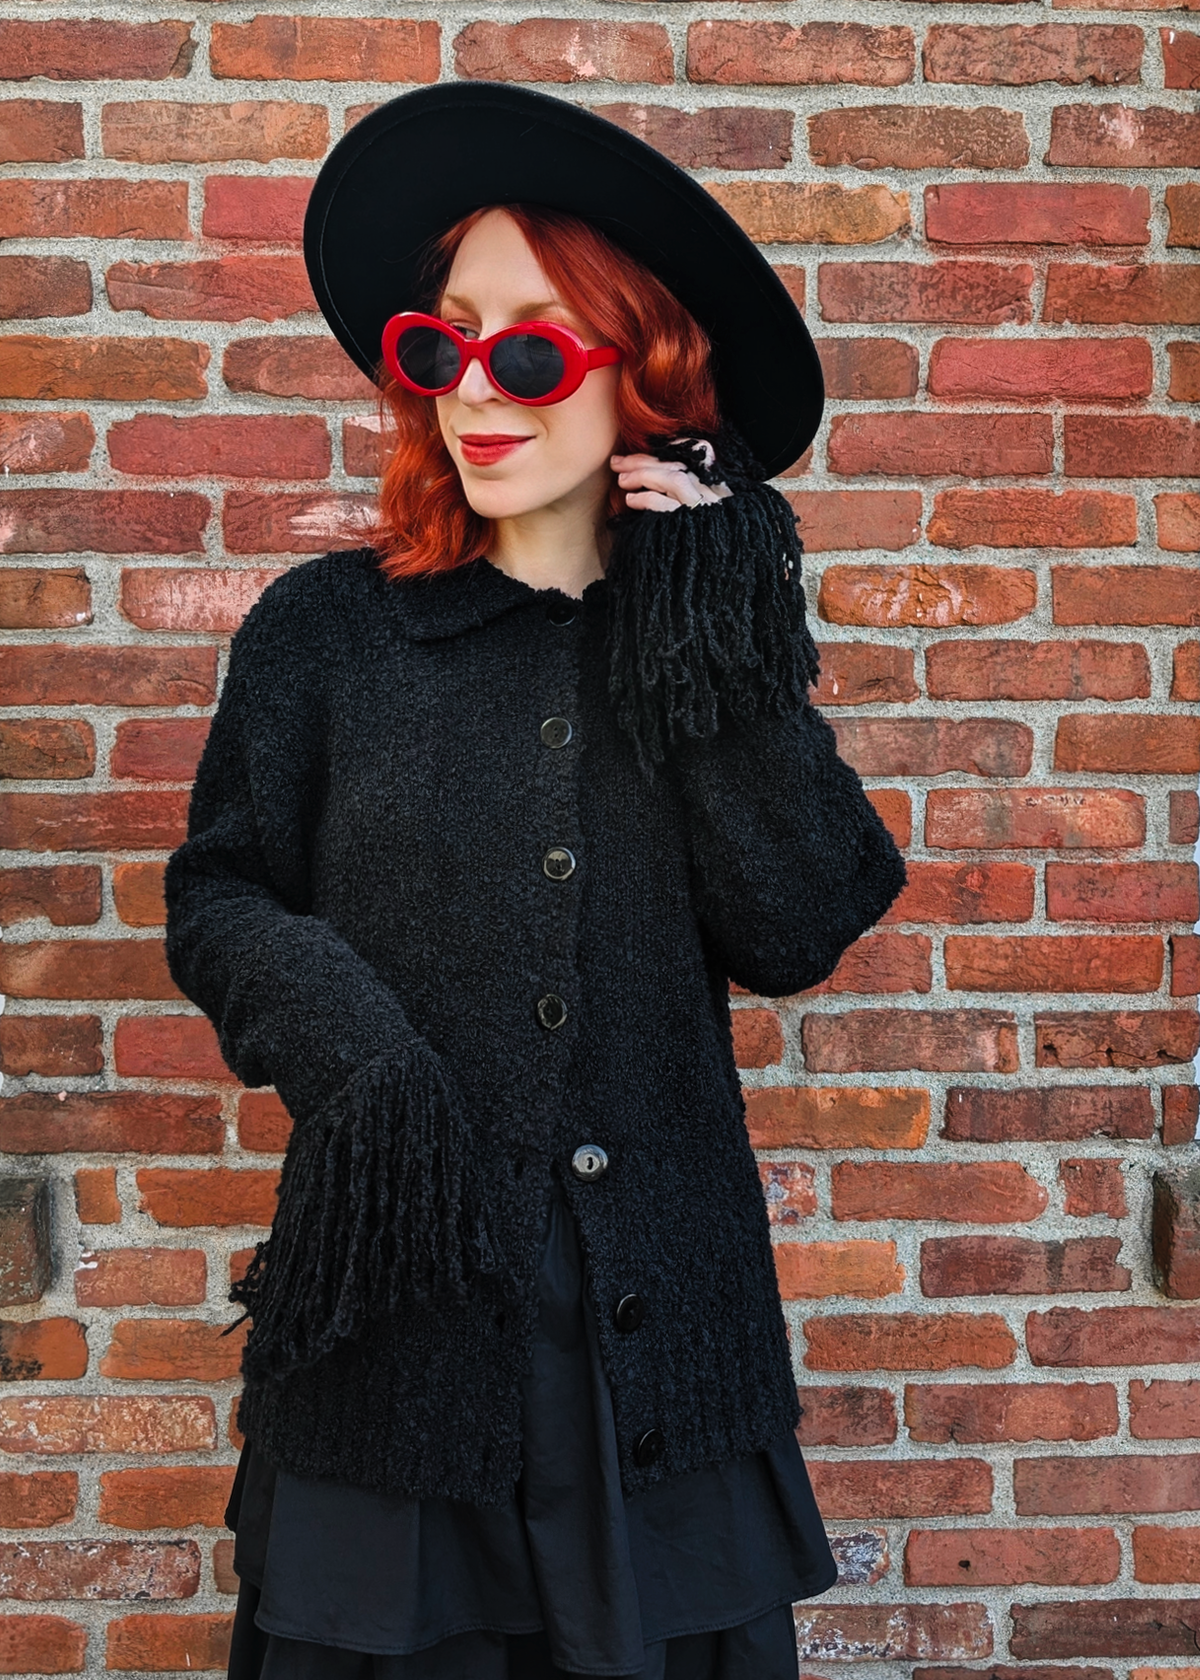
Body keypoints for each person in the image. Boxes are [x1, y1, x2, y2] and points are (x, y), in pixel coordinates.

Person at [163, 83, 907, 1680]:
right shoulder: (329, 634)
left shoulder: (704, 644)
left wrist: (712, 622)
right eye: (444, 346)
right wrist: (358, 1053)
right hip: (404, 1332)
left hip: (660, 1348)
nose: (476, 394)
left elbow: (797, 921)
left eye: (531, 349)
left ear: (644, 377)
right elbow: (220, 895)